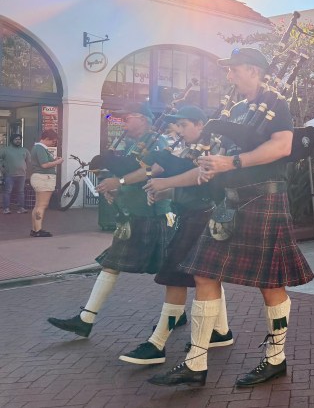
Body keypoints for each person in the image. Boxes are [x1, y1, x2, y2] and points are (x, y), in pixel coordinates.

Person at [146, 46, 314, 388]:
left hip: (265, 199)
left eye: (234, 68)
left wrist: (233, 163)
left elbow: (282, 146)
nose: (230, 74)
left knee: (270, 285)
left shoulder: (276, 104)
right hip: (230, 202)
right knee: (203, 274)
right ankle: (195, 363)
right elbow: (219, 155)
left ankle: (275, 359)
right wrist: (206, 168)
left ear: (253, 70)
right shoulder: (236, 108)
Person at [115, 105, 233, 366]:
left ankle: (158, 344)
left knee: (175, 277)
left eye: (183, 125)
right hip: (193, 215)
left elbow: (201, 176)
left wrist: (166, 184)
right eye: (176, 126)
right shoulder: (187, 148)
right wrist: (164, 191)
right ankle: (221, 332)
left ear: (200, 124)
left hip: (204, 217)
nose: (178, 131)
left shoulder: (213, 144)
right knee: (206, 279)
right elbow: (185, 185)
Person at [47, 103, 173, 339]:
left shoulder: (159, 142)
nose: (124, 123)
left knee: (175, 268)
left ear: (144, 119)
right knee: (117, 263)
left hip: (153, 214)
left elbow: (154, 170)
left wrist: (120, 183)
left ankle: (205, 322)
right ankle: (86, 318)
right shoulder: (131, 144)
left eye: (129, 117)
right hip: (134, 212)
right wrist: (113, 187)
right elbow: (126, 171)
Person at [29, 130, 63, 237]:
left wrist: (53, 160)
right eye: (53, 142)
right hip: (44, 178)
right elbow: (44, 165)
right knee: (42, 205)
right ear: (47, 139)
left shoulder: (38, 148)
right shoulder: (40, 148)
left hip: (39, 177)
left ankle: (35, 229)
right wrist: (57, 162)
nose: (53, 144)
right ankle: (38, 230)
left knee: (38, 205)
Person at [1, 133, 30, 214]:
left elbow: (28, 161)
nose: (18, 141)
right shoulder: (5, 150)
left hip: (22, 175)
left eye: (19, 139)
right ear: (12, 140)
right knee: (7, 191)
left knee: (21, 192)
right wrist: (1, 168)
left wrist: (25, 170)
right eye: (16, 139)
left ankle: (21, 208)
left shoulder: (25, 150)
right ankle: (6, 208)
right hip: (9, 175)